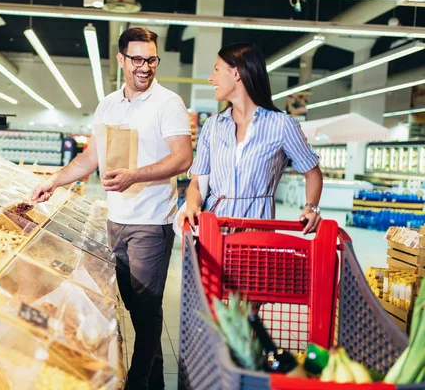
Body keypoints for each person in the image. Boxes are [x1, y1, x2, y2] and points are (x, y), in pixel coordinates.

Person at [32, 27, 193, 390]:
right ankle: (154, 379)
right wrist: (53, 182)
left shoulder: (167, 103)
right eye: (136, 59)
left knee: (148, 309)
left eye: (151, 59)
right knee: (136, 307)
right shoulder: (107, 104)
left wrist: (135, 175)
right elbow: (92, 156)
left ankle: (136, 382)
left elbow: (183, 158)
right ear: (121, 60)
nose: (144, 67)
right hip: (115, 220)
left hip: (151, 222)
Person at [178, 43, 323, 234]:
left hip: (256, 238)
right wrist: (192, 207)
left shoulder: (281, 125)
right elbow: (197, 183)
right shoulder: (212, 127)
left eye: (216, 70)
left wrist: (310, 208)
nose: (211, 78)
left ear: (236, 73)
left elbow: (312, 173)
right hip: (213, 234)